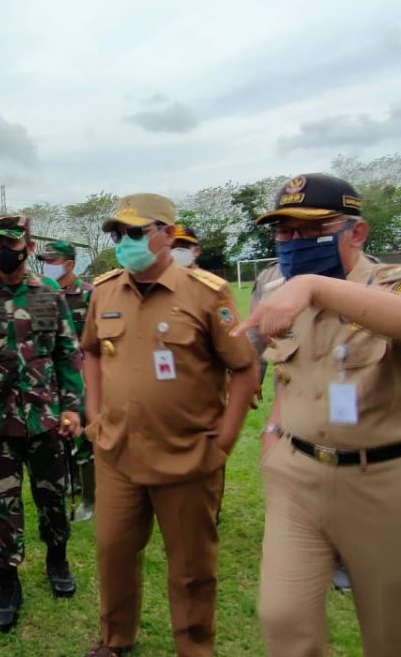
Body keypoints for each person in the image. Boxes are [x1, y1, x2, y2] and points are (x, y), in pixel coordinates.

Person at [238, 174, 401, 657]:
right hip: (297, 476)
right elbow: (286, 366)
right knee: (283, 619)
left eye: (310, 229)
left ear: (355, 233)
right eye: (284, 231)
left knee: (391, 636)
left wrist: (315, 287)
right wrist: (274, 431)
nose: (294, 242)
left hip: (384, 479)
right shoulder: (276, 288)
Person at [79, 194, 258, 657]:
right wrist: (94, 415)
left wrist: (226, 438)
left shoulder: (206, 292)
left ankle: (194, 649)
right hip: (117, 451)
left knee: (191, 568)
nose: (124, 243)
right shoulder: (104, 290)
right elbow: (92, 352)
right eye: (118, 234)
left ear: (169, 235)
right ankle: (116, 638)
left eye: (136, 233)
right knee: (113, 553)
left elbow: (244, 367)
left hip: (187, 455)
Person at [0, 214, 85, 633]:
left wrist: (73, 406)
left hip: (45, 420)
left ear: (25, 247)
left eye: (8, 244)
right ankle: (8, 584)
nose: (1, 252)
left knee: (54, 499)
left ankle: (57, 560)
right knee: (1, 508)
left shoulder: (47, 293)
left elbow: (66, 352)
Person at [38, 239, 97, 522]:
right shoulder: (42, 294)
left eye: (53, 261)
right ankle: (69, 482)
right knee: (58, 433)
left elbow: (98, 342)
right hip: (50, 378)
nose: (47, 267)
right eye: (45, 261)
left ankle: (89, 499)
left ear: (70, 264)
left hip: (83, 377)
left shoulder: (87, 295)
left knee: (83, 435)